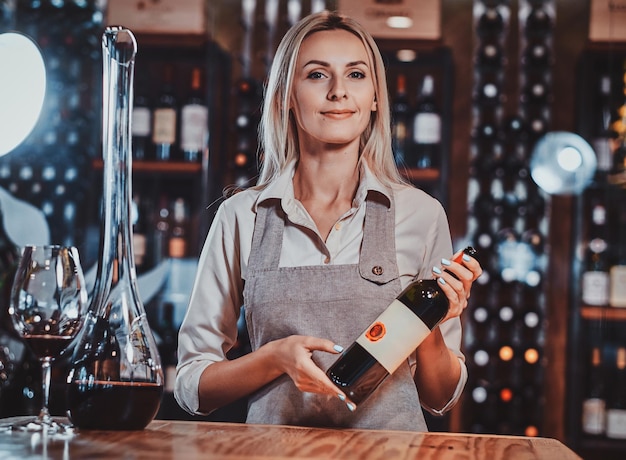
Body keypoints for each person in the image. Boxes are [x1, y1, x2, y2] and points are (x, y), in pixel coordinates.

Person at [175, 10, 482, 432]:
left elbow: (440, 398)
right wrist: (273, 358)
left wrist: (427, 323)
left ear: (375, 97)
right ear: (286, 94)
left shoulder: (421, 214)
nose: (339, 92)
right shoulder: (240, 217)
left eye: (356, 75)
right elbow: (192, 386)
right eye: (318, 75)